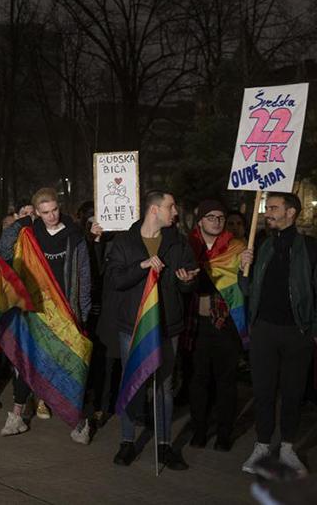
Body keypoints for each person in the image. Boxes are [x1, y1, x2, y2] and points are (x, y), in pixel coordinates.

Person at [104, 190, 198, 470]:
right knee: (133, 381)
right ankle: (127, 441)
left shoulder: (178, 242)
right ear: (154, 210)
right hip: (133, 324)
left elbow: (188, 280)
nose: (175, 213)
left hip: (169, 325)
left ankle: (165, 445)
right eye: (171, 207)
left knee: (164, 386)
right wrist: (143, 265)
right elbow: (116, 280)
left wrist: (187, 280)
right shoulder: (125, 241)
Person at [0, 188, 97, 443]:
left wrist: (82, 313)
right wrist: (22, 220)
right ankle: (17, 415)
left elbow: (84, 275)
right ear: (37, 213)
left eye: (54, 210)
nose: (52, 216)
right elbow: (4, 252)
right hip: (36, 310)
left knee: (72, 364)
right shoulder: (28, 234)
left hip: (67, 310)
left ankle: (79, 421)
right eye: (45, 212)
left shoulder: (74, 235)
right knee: (28, 362)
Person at [240, 193, 317, 477]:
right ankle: (262, 446)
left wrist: (315, 331)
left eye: (273, 208)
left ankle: (287, 448)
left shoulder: (310, 248)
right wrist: (243, 269)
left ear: (292, 213)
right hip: (263, 330)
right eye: (266, 207)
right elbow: (249, 290)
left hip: (298, 332)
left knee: (293, 392)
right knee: (262, 391)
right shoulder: (261, 245)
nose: (266, 212)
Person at [186, 199, 245, 453]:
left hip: (226, 323)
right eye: (211, 217)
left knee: (226, 382)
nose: (217, 221)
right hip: (196, 324)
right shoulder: (187, 246)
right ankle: (199, 430)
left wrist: (245, 267)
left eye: (220, 217)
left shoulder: (238, 247)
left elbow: (245, 286)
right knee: (198, 380)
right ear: (200, 220)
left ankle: (223, 433)